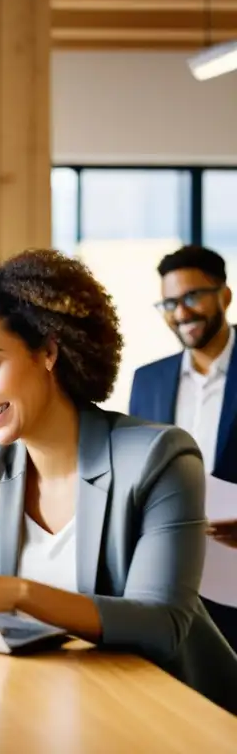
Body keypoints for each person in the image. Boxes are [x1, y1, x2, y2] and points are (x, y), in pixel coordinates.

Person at [0, 249, 237, 715]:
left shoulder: (158, 457)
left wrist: (14, 593)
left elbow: (162, 625)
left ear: (48, 350)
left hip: (169, 712)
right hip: (50, 700)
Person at [129, 246, 237, 650]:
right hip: (172, 575)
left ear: (224, 295)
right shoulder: (148, 380)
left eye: (192, 297)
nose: (181, 313)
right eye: (169, 303)